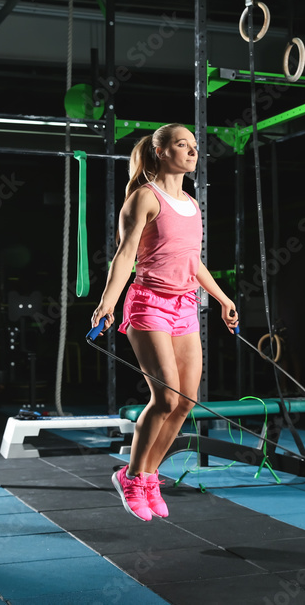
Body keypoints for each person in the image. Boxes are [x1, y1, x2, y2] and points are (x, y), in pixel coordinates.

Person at [91, 123, 239, 521]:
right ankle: (131, 478)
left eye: (194, 146)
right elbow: (124, 257)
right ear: (160, 151)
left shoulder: (192, 204)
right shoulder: (143, 198)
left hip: (185, 306)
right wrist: (107, 303)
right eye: (182, 145)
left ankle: (148, 476)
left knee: (187, 402)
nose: (192, 151)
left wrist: (223, 299)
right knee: (166, 399)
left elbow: (193, 262)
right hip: (148, 304)